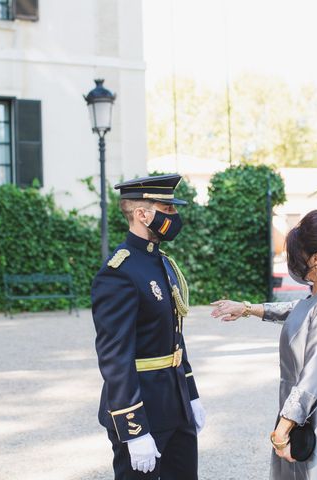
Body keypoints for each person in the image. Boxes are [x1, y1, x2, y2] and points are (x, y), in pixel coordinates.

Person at [211, 209, 317, 480]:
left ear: (316, 259)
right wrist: (247, 308)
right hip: (302, 411)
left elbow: (313, 375)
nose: (293, 264)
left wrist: (283, 429)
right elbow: (294, 310)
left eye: (298, 257)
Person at [91, 174, 206, 479]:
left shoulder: (162, 263)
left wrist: (191, 395)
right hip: (143, 409)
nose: (175, 217)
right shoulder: (119, 272)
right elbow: (115, 357)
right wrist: (134, 428)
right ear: (143, 214)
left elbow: (175, 337)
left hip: (176, 403)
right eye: (167, 209)